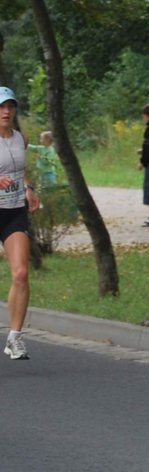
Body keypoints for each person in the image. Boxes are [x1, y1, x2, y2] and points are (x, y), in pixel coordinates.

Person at [0, 86, 41, 359]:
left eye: (10, 107)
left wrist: (28, 189)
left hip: (13, 212)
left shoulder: (20, 139)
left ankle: (14, 337)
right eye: (1, 107)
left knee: (21, 274)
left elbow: (19, 170)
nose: (6, 112)